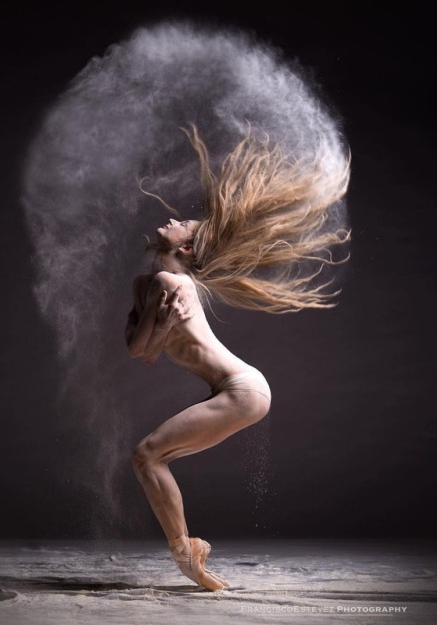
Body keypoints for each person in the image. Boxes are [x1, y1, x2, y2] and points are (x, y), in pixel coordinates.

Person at [125, 125, 350, 591]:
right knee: (149, 457)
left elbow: (143, 348)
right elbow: (139, 353)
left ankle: (186, 554)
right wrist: (162, 327)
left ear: (184, 249)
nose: (175, 219)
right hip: (237, 389)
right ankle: (187, 554)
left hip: (243, 389)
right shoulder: (149, 287)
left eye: (183, 224)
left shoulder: (174, 285)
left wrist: (160, 329)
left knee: (148, 456)